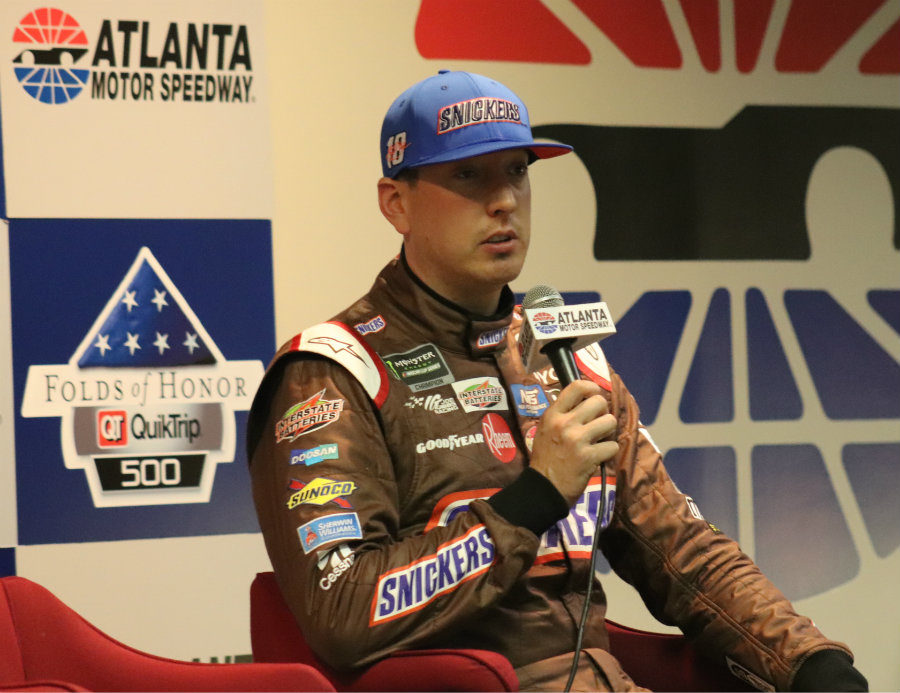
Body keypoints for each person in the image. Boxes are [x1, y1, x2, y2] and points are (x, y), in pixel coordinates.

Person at [247, 70, 867, 691]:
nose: (504, 201)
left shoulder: (568, 360)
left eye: (516, 171)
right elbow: (345, 611)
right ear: (396, 203)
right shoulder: (333, 375)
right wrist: (535, 498)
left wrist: (809, 661)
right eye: (468, 176)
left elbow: (683, 551)